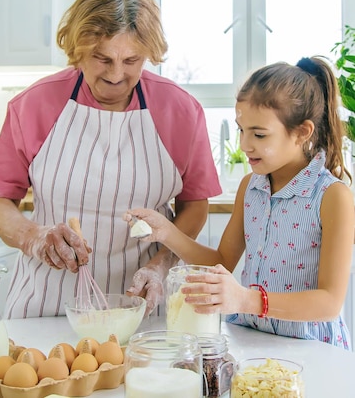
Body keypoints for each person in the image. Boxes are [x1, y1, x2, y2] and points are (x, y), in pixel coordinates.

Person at [0, 0, 222, 319]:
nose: (117, 75)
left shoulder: (179, 111)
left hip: (141, 309)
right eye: (101, 58)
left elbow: (194, 205)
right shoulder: (34, 105)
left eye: (132, 60)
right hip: (45, 306)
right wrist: (34, 236)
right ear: (78, 49)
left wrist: (161, 265)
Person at [125, 56, 355, 349]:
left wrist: (246, 299)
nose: (245, 145)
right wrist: (166, 232)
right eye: (241, 130)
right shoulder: (251, 186)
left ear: (302, 132)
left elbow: (329, 303)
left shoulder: (332, 196)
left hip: (312, 347)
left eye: (259, 134)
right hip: (253, 339)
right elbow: (221, 260)